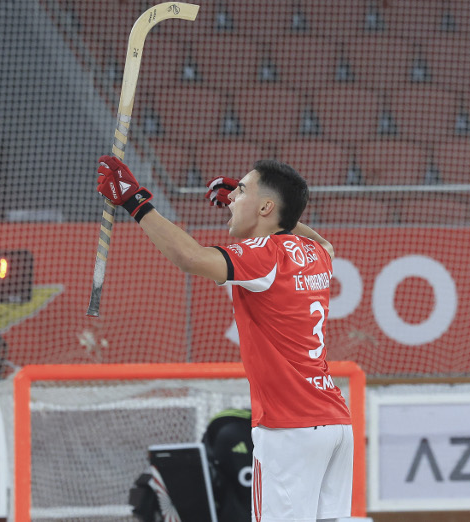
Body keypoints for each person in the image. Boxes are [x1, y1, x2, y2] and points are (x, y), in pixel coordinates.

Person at [96, 155, 353, 522]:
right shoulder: (316, 254)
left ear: (266, 206)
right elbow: (319, 240)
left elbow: (189, 257)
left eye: (241, 190)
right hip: (335, 425)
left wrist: (133, 199)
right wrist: (252, 200)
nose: (232, 198)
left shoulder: (263, 255)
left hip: (289, 428)